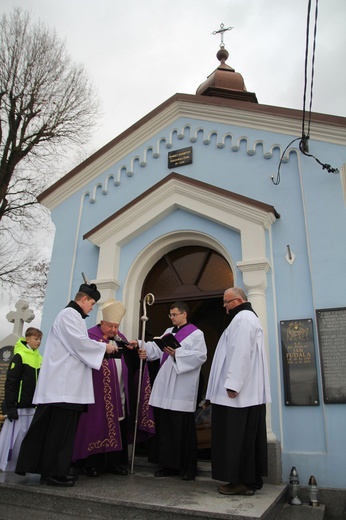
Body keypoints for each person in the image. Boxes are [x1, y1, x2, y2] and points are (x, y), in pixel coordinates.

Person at [15, 283, 117, 487]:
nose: (92, 308)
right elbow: (78, 343)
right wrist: (104, 347)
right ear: (84, 299)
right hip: (61, 387)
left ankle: (57, 470)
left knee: (62, 432)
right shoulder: (69, 314)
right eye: (92, 304)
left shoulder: (74, 316)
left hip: (69, 387)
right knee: (57, 431)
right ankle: (51, 472)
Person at [72, 298, 151, 476]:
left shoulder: (120, 339)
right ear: (102, 323)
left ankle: (114, 463)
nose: (114, 330)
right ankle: (92, 464)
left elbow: (130, 363)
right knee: (96, 425)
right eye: (110, 326)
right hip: (96, 394)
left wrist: (138, 354)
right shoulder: (90, 337)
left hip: (119, 392)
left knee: (118, 424)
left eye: (116, 327)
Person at [206, 287, 271, 496]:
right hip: (243, 395)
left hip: (238, 396)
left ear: (239, 300)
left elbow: (241, 351)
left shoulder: (243, 318)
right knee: (245, 438)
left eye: (227, 302)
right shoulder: (244, 318)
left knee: (237, 438)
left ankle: (241, 481)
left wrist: (233, 384)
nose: (224, 306)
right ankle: (249, 480)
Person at [132, 301, 207, 481]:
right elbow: (156, 349)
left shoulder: (196, 334)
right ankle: (167, 465)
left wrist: (177, 354)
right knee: (165, 428)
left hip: (182, 387)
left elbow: (200, 356)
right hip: (166, 386)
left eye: (174, 314)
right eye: (170, 315)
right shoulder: (168, 332)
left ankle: (187, 468)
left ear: (184, 314)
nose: (172, 317)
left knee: (182, 429)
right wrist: (141, 345)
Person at [0, 327, 43, 472]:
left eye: (40, 339)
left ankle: (22, 465)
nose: (38, 342)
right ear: (27, 339)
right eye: (36, 339)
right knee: (13, 439)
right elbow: (11, 382)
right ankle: (6, 465)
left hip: (32, 406)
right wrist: (10, 406)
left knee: (26, 438)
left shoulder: (39, 358)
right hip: (19, 406)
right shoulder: (19, 356)